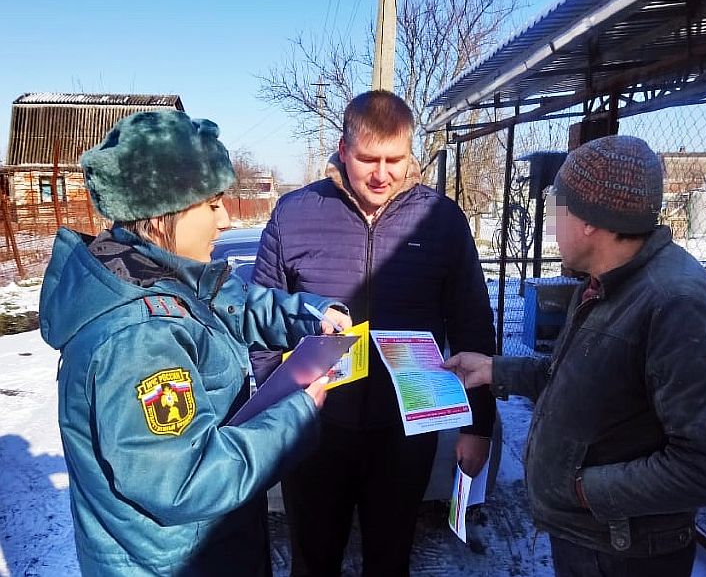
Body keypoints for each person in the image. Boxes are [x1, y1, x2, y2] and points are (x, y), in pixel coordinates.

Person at [38, 110, 351, 577]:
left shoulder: (158, 273)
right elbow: (187, 480)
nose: (226, 220)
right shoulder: (138, 340)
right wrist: (298, 413)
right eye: (212, 204)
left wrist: (310, 314)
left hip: (205, 547)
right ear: (161, 212)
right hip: (175, 563)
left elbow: (232, 305)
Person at [444, 135, 706, 577]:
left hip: (625, 555)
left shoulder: (677, 305)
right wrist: (495, 369)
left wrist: (584, 489)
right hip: (592, 538)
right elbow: (581, 379)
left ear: (590, 221)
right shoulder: (605, 283)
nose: (550, 225)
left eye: (557, 209)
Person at [251, 90, 496, 576]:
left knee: (390, 560)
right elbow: (263, 318)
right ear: (343, 150)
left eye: (395, 160)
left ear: (411, 154)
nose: (382, 174)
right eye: (368, 159)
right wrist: (279, 405)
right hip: (315, 428)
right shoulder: (295, 215)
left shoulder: (441, 220)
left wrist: (478, 426)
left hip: (405, 430)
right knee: (313, 560)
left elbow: (472, 323)